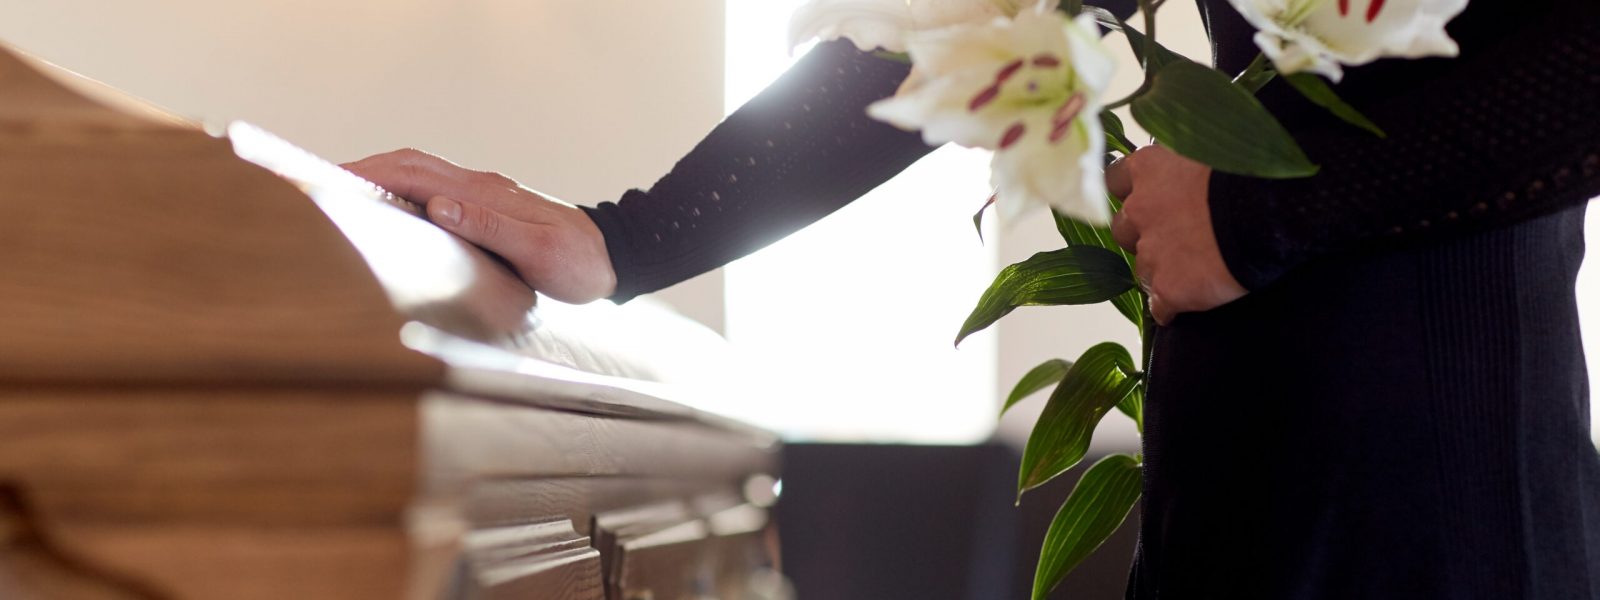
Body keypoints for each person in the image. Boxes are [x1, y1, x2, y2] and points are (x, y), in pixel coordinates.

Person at [345, 0, 1600, 596]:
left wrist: (1269, 209)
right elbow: (975, 26)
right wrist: (627, 238)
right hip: (1237, 482)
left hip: (1456, 506)